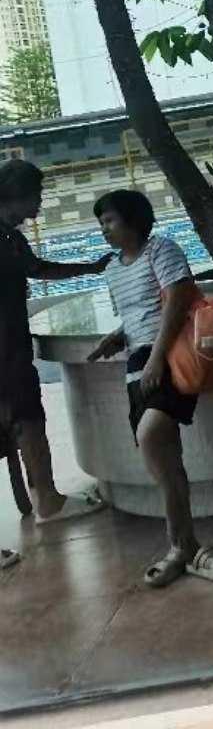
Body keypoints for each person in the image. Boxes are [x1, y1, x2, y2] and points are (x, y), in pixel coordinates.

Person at [88, 190, 213, 588]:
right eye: (101, 222)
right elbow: (138, 314)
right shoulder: (113, 269)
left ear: (134, 219)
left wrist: (156, 357)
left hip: (169, 355)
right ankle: (185, 547)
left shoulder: (161, 249)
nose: (104, 229)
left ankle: (184, 547)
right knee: (161, 455)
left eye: (110, 220)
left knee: (152, 434)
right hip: (138, 362)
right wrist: (116, 337)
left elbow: (177, 301)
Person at [0, 158, 110, 525]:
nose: (40, 202)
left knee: (20, 417)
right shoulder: (4, 239)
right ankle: (48, 502)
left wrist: (90, 268)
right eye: (37, 194)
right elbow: (36, 271)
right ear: (16, 194)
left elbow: (38, 269)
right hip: (6, 351)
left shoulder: (10, 238)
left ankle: (40, 496)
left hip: (10, 346)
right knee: (27, 417)